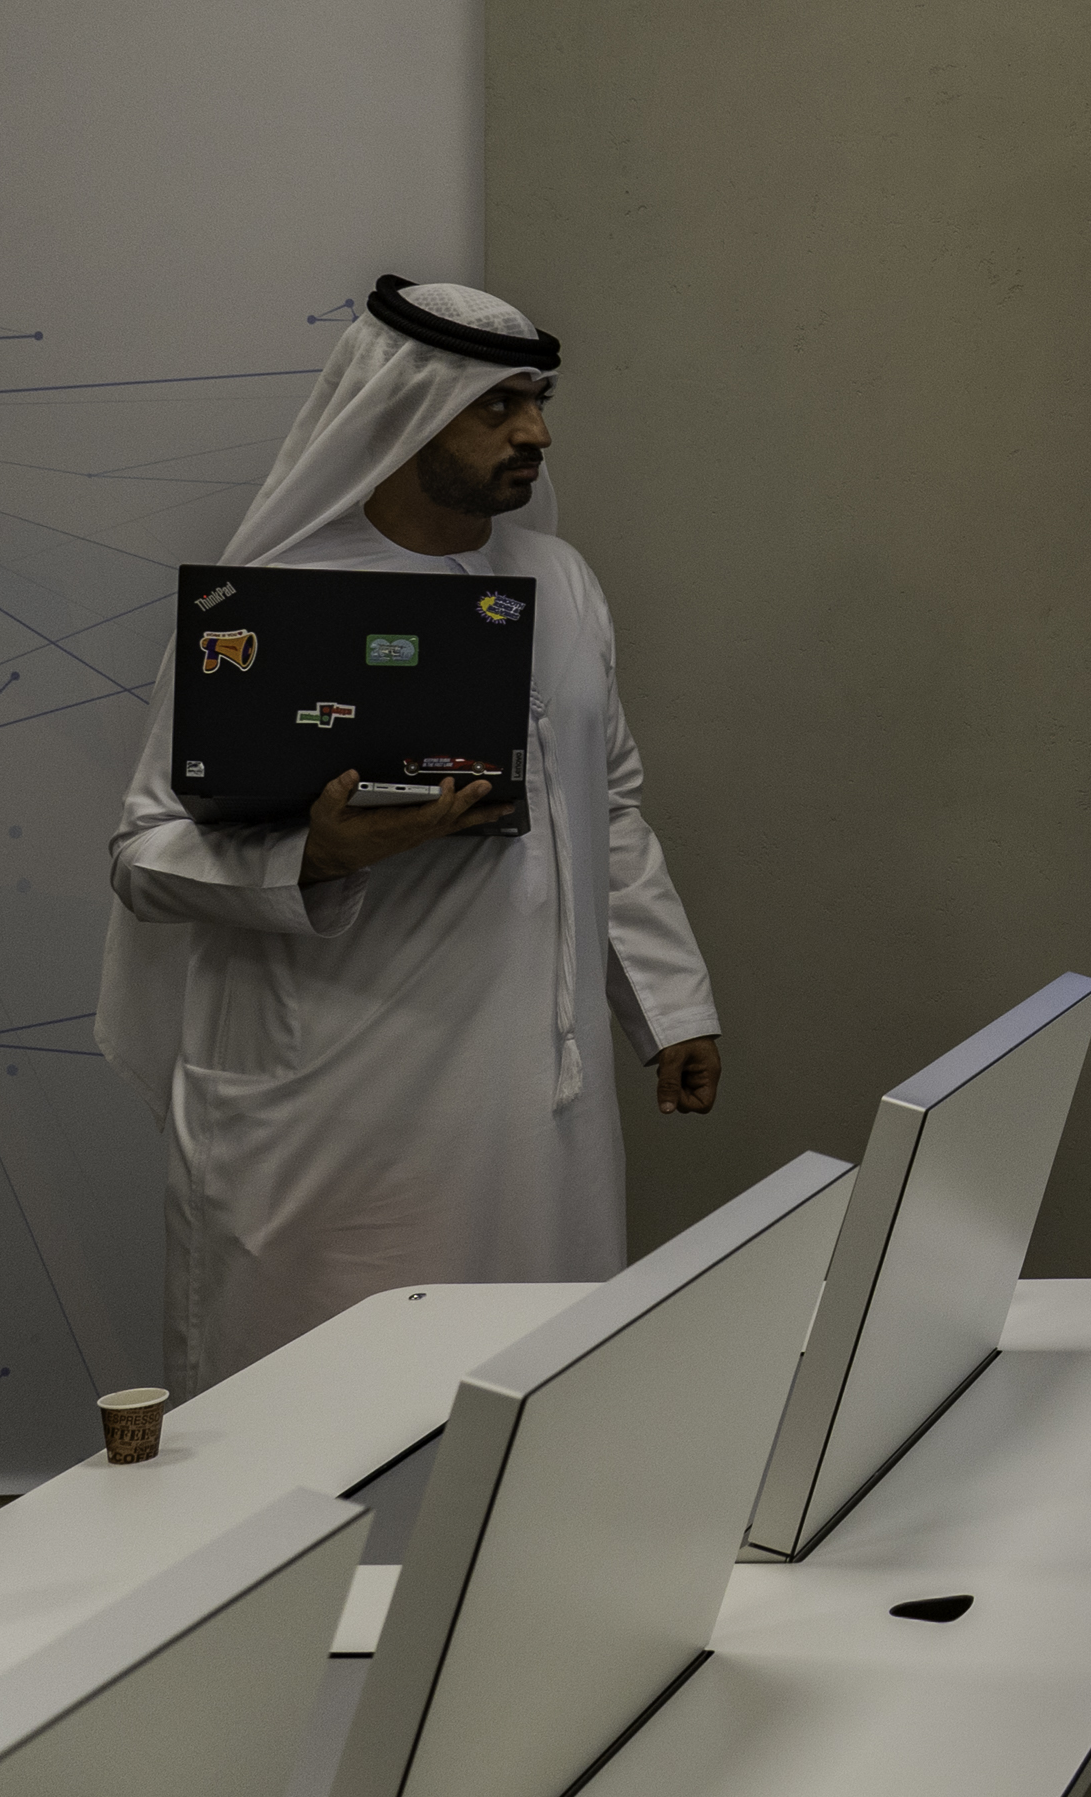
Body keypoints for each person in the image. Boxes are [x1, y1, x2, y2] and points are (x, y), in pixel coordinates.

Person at [100, 277, 723, 1388]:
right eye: (497, 405)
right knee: (323, 1415)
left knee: (523, 1389)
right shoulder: (271, 606)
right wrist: (317, 855)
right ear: (401, 411)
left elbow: (608, 803)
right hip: (337, 1106)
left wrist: (670, 1007)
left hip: (538, 1108)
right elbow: (144, 852)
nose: (534, 430)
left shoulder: (561, 584)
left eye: (537, 399)